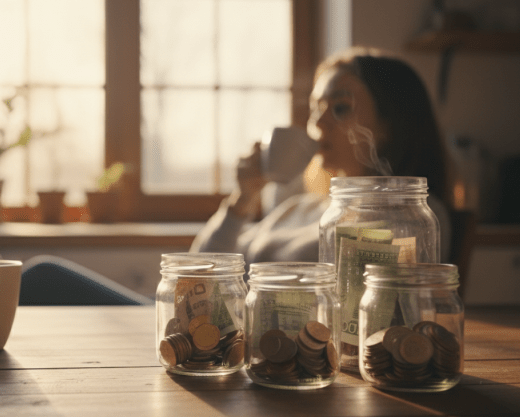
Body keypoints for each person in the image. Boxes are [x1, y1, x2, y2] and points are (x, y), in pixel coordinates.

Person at [190, 46, 452, 264]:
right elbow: (203, 268)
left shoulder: (414, 215)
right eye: (316, 108)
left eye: (340, 107)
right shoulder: (302, 207)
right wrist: (243, 198)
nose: (318, 122)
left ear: (390, 125)